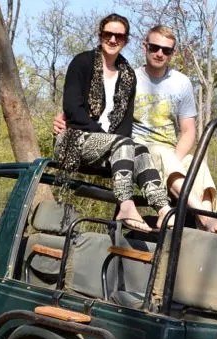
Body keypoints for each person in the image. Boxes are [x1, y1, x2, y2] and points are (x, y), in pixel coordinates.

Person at [55, 24, 217, 234]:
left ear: (172, 53)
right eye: (154, 47)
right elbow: (102, 110)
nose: (159, 53)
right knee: (159, 153)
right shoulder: (129, 78)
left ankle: (204, 230)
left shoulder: (181, 83)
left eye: (166, 50)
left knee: (196, 164)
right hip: (140, 147)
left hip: (171, 150)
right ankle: (206, 218)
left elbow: (188, 130)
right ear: (144, 46)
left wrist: (174, 159)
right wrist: (64, 119)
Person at [56, 13, 173, 233]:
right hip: (74, 140)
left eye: (118, 36)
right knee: (123, 144)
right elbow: (72, 110)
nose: (112, 40)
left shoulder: (128, 75)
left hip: (112, 149)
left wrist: (115, 142)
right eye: (108, 34)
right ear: (100, 35)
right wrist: (109, 139)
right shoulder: (82, 62)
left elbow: (125, 124)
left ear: (126, 40)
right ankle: (126, 206)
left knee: (139, 149)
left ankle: (164, 209)